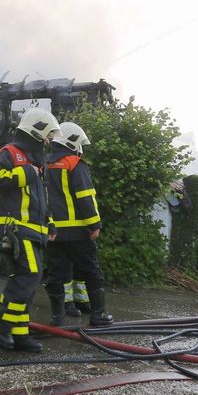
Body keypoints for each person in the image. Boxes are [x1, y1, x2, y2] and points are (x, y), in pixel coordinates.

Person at [0, 107, 60, 353]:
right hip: (15, 229)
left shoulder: (38, 162)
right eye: (47, 134)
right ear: (36, 130)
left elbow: (40, 199)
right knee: (28, 277)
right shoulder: (11, 153)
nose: (48, 140)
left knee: (28, 280)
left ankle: (19, 334)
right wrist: (26, 172)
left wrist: (49, 222)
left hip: (35, 230)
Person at [43, 122, 113, 327]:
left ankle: (57, 318)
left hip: (53, 232)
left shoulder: (44, 163)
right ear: (72, 142)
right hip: (78, 232)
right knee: (91, 270)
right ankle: (98, 315)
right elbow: (85, 197)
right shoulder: (75, 163)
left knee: (57, 273)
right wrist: (95, 224)